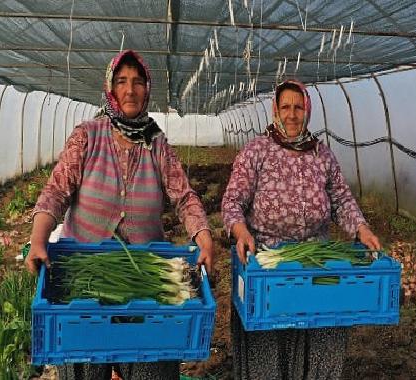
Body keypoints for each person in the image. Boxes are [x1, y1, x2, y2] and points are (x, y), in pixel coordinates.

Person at [24, 50, 214, 380]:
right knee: (86, 365)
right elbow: (56, 190)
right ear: (111, 88)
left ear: (147, 88)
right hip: (84, 272)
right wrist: (38, 238)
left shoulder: (156, 143)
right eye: (122, 81)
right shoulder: (87, 136)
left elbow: (184, 197)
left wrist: (205, 238)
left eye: (138, 82)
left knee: (148, 364)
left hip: (147, 278)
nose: (130, 90)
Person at [221, 79, 382, 380]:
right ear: (275, 111)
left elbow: (342, 199)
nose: (292, 114)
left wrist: (361, 228)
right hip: (269, 264)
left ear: (307, 110)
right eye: (286, 107)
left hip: (315, 261)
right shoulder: (257, 150)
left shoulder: (321, 154)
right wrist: (241, 231)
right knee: (270, 344)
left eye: (298, 107)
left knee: (320, 333)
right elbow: (232, 201)